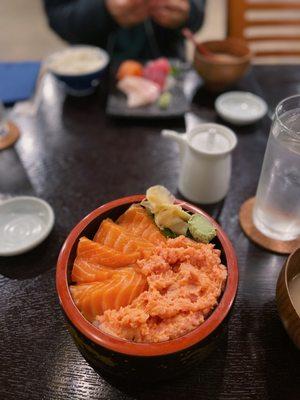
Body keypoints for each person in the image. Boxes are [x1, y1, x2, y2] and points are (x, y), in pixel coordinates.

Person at [43, 0, 206, 60]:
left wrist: (187, 13)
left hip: (169, 72)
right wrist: (103, 12)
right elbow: (58, 16)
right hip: (91, 76)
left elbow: (197, 12)